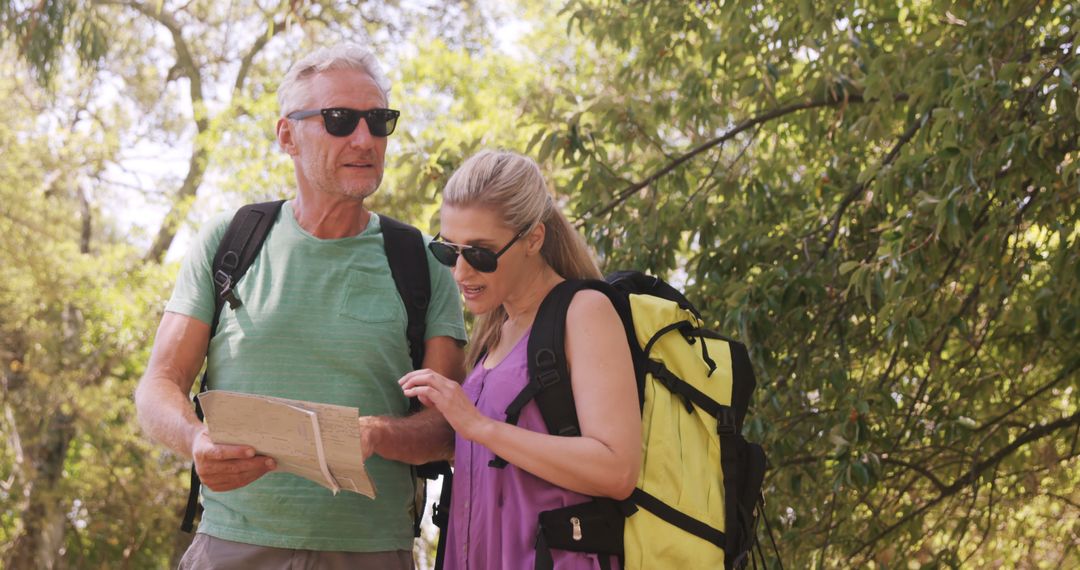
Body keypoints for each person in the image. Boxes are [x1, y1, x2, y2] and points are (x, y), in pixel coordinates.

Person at [134, 43, 467, 569]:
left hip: (373, 553)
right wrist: (196, 440)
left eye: (378, 121)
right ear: (287, 135)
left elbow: (448, 428)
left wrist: (377, 435)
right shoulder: (230, 242)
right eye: (339, 120)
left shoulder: (423, 263)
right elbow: (158, 385)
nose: (365, 139)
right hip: (231, 547)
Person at [400, 150, 641, 569]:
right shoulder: (495, 330)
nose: (460, 272)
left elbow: (617, 471)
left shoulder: (584, 311)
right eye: (449, 251)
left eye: (480, 254)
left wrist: (479, 426)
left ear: (533, 238)